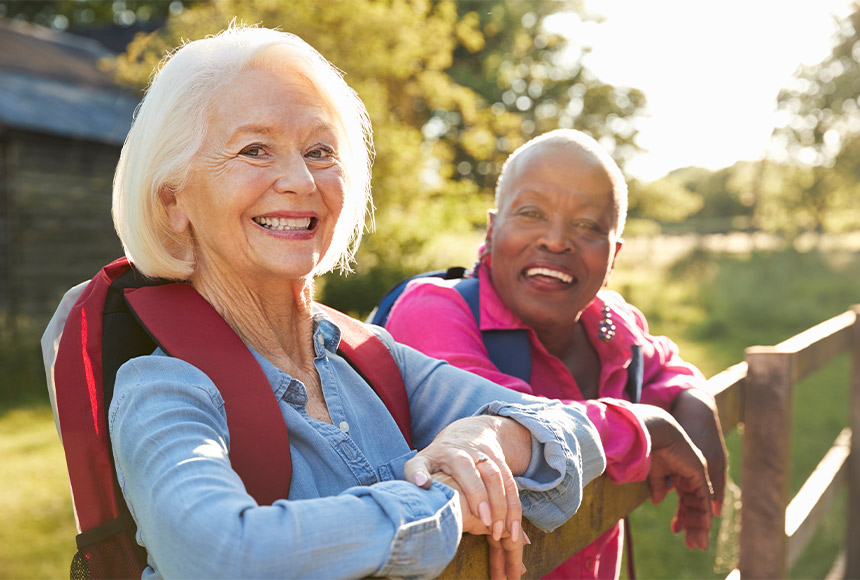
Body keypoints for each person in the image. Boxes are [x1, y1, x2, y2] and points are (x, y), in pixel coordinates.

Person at [42, 27, 611, 580]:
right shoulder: (161, 388)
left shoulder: (371, 358)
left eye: (319, 151)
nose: (300, 180)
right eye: (255, 150)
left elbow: (577, 431)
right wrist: (446, 503)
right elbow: (224, 555)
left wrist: (483, 437)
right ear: (173, 202)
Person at [385, 129, 727, 579]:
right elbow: (515, 431)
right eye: (531, 213)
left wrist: (695, 402)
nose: (557, 239)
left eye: (588, 225)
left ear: (614, 255)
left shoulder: (609, 323)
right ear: (492, 228)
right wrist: (649, 426)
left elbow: (663, 365)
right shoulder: (434, 311)